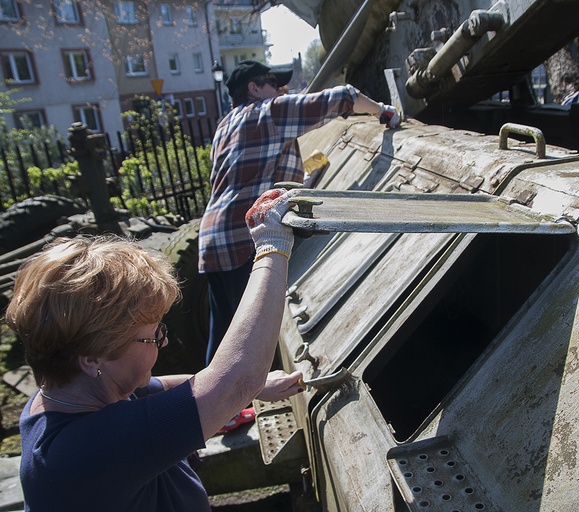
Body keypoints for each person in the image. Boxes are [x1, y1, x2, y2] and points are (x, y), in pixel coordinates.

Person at [7, 188, 302, 512]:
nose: (163, 343)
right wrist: (271, 245)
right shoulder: (86, 451)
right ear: (93, 358)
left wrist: (255, 388)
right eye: (151, 337)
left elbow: (164, 387)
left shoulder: (65, 396)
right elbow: (234, 381)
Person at [199, 59, 401, 364]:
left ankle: (214, 408)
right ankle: (242, 400)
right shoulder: (269, 111)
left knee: (223, 335)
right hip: (243, 240)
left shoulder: (225, 125)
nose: (282, 90)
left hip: (213, 239)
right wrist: (384, 111)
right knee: (253, 339)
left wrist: (302, 184)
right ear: (254, 88)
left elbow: (247, 178)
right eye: (273, 84)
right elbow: (343, 97)